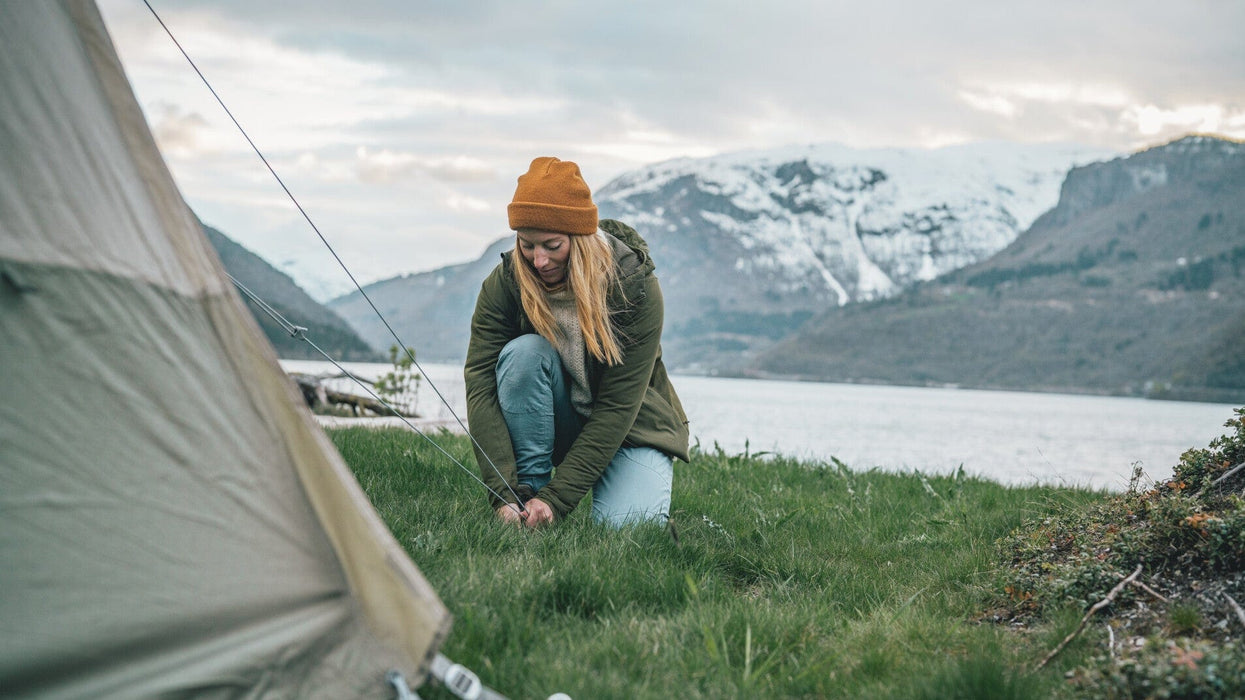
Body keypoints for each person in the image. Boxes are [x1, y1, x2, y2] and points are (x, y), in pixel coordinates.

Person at [464, 156, 689, 528]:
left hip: (630, 430)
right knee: (523, 355)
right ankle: (528, 496)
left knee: (626, 532)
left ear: (580, 238)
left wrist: (558, 501)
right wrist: (504, 491)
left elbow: (618, 408)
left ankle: (550, 503)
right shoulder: (505, 282)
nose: (538, 260)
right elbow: (480, 385)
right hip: (561, 420)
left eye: (552, 245)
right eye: (526, 244)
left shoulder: (634, 287)